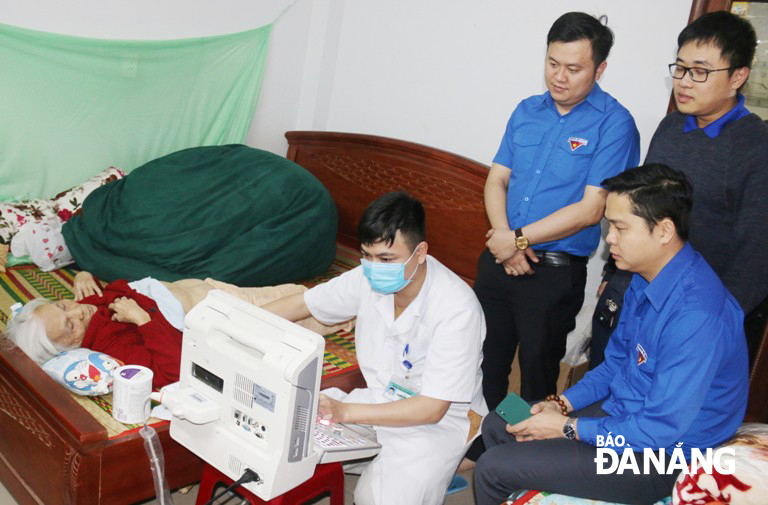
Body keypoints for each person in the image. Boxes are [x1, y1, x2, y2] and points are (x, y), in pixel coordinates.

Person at [474, 164, 748, 505]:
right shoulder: (642, 277)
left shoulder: (697, 316)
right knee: (501, 421)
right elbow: (612, 367)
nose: (609, 239)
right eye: (609, 225)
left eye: (620, 227)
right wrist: (561, 403)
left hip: (662, 455)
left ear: (663, 231)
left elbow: (657, 430)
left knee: (492, 467)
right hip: (625, 414)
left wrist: (565, 427)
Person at [261, 191, 487, 505]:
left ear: (420, 252)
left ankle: (433, 472)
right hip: (379, 399)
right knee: (285, 431)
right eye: (366, 255)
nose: (371, 266)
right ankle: (388, 466)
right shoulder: (367, 278)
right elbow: (303, 303)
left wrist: (345, 412)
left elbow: (432, 408)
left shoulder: (457, 309)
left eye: (385, 259)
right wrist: (246, 324)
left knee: (375, 499)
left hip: (435, 425)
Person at [475, 11, 640, 407]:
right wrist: (504, 239)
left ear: (599, 69)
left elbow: (591, 209)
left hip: (551, 274)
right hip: (500, 259)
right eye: (552, 64)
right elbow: (496, 179)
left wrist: (517, 239)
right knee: (483, 363)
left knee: (536, 374)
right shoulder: (527, 111)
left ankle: (520, 457)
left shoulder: (614, 124)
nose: (558, 77)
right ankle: (480, 444)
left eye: (573, 68)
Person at [589, 10, 768, 369]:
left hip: (698, 316)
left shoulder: (756, 146)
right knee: (605, 385)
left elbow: (756, 257)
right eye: (680, 68)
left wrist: (709, 325)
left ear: (738, 77)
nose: (684, 82)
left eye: (700, 72)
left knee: (661, 412)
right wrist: (614, 275)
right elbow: (637, 209)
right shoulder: (671, 128)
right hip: (637, 293)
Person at [4, 273, 345, 389]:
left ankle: (362, 295)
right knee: (318, 304)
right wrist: (143, 319)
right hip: (223, 311)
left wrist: (83, 274)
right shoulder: (108, 345)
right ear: (69, 347)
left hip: (205, 288)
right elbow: (170, 370)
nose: (79, 310)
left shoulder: (88, 312)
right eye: (70, 323)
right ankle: (371, 298)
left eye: (62, 305)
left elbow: (101, 297)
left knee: (304, 294)